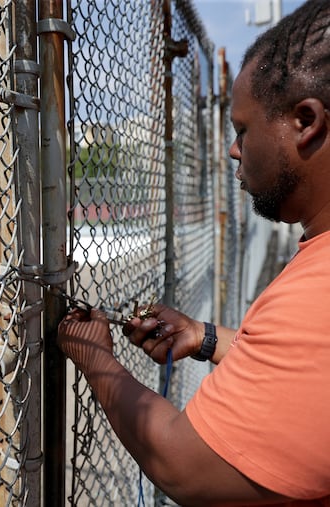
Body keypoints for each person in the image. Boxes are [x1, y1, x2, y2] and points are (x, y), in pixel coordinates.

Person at [57, 1, 330, 505]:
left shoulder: (317, 293)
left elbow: (184, 463)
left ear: (305, 122)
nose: (233, 149)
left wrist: (96, 359)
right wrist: (201, 337)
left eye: (243, 130)